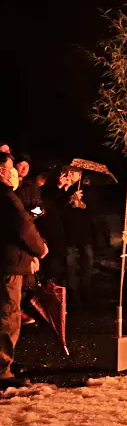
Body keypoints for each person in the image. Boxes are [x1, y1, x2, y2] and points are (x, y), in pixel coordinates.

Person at [1, 153, 46, 385]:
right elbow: (21, 223)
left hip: (20, 248)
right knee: (8, 312)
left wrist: (33, 212)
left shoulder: (29, 188)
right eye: (18, 166)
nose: (21, 170)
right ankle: (3, 368)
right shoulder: (9, 194)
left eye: (26, 166)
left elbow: (40, 209)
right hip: (14, 253)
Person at [60, 170, 97, 304]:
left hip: (84, 233)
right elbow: (56, 209)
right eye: (68, 171)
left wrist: (82, 204)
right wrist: (70, 199)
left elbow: (93, 210)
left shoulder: (87, 190)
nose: (70, 174)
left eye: (74, 172)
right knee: (70, 264)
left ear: (80, 175)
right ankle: (72, 291)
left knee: (87, 262)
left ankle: (85, 290)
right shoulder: (63, 189)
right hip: (68, 232)